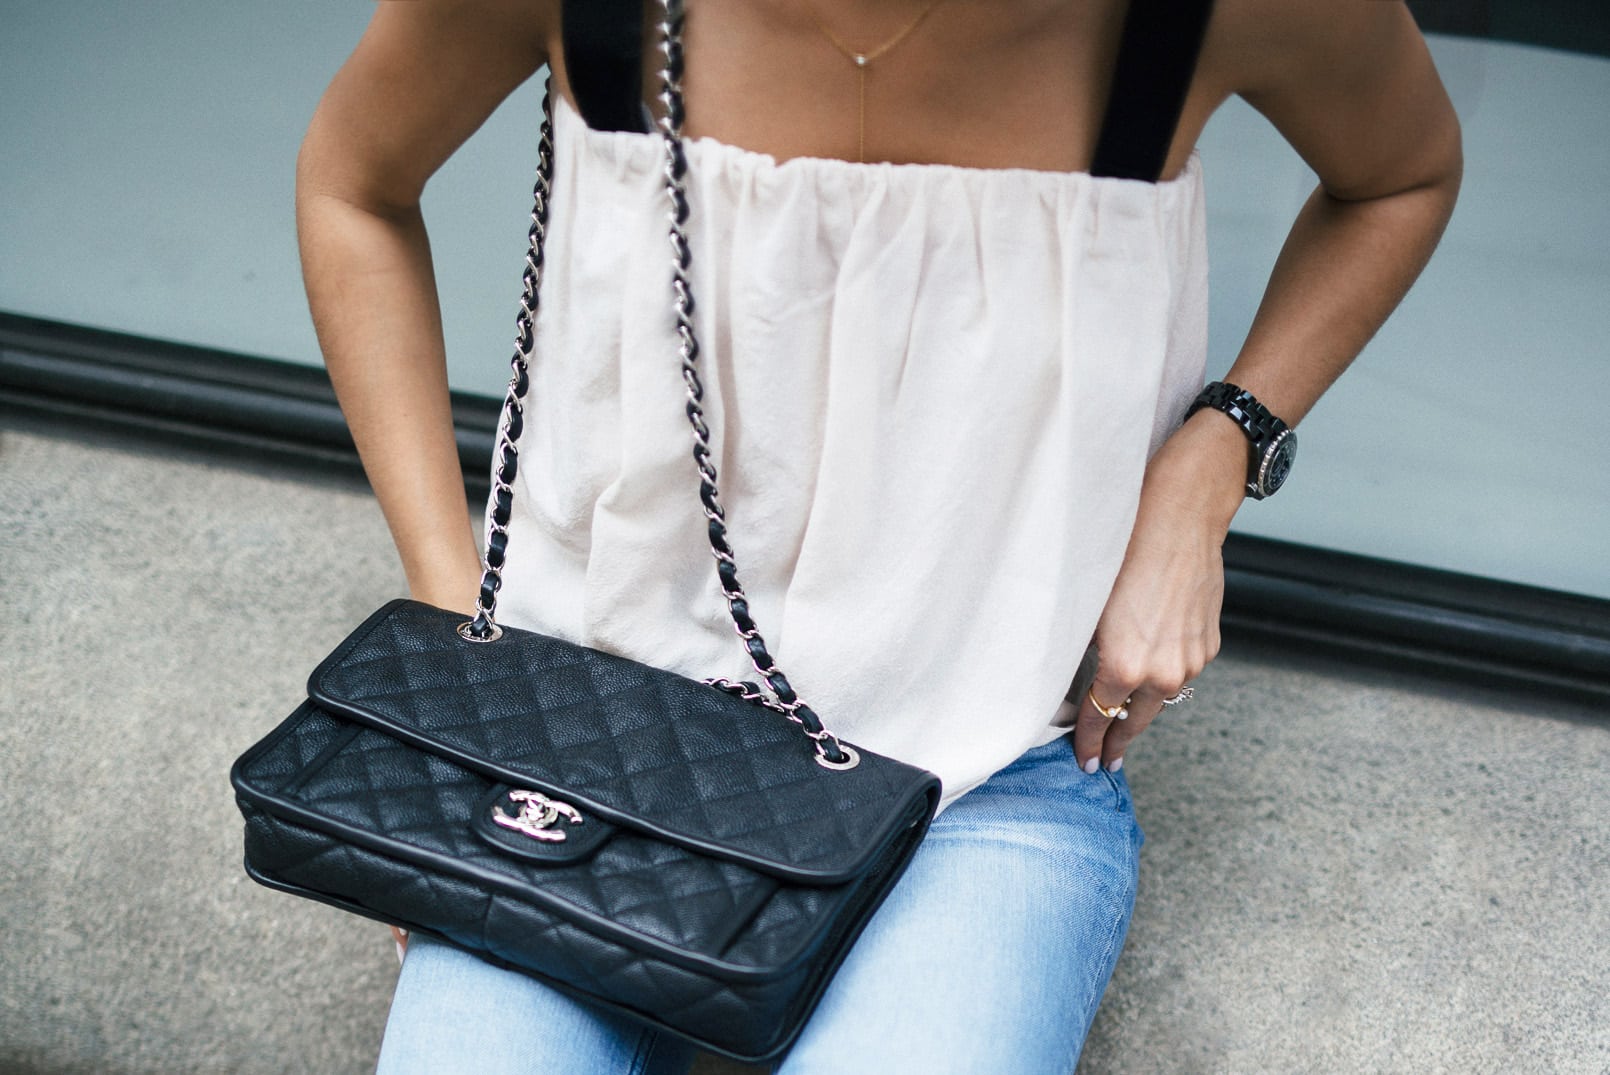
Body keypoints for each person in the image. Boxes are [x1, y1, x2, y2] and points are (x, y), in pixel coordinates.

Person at [294, 1, 1461, 1070]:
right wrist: (460, 665)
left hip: (982, 765)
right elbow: (353, 184)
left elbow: (1399, 175)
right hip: (577, 726)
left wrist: (1209, 460)